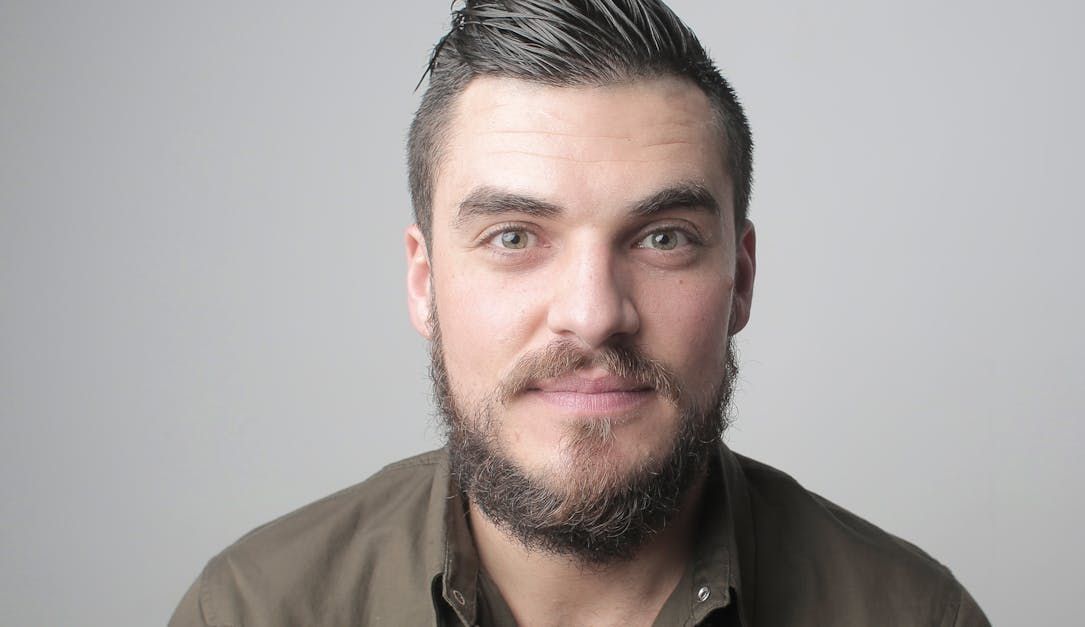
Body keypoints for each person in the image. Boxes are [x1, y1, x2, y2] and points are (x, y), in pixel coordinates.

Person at [170, 1, 990, 625]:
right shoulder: (253, 609)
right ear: (423, 283)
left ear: (740, 279)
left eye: (663, 237)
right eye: (516, 235)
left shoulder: (912, 614)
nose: (594, 314)